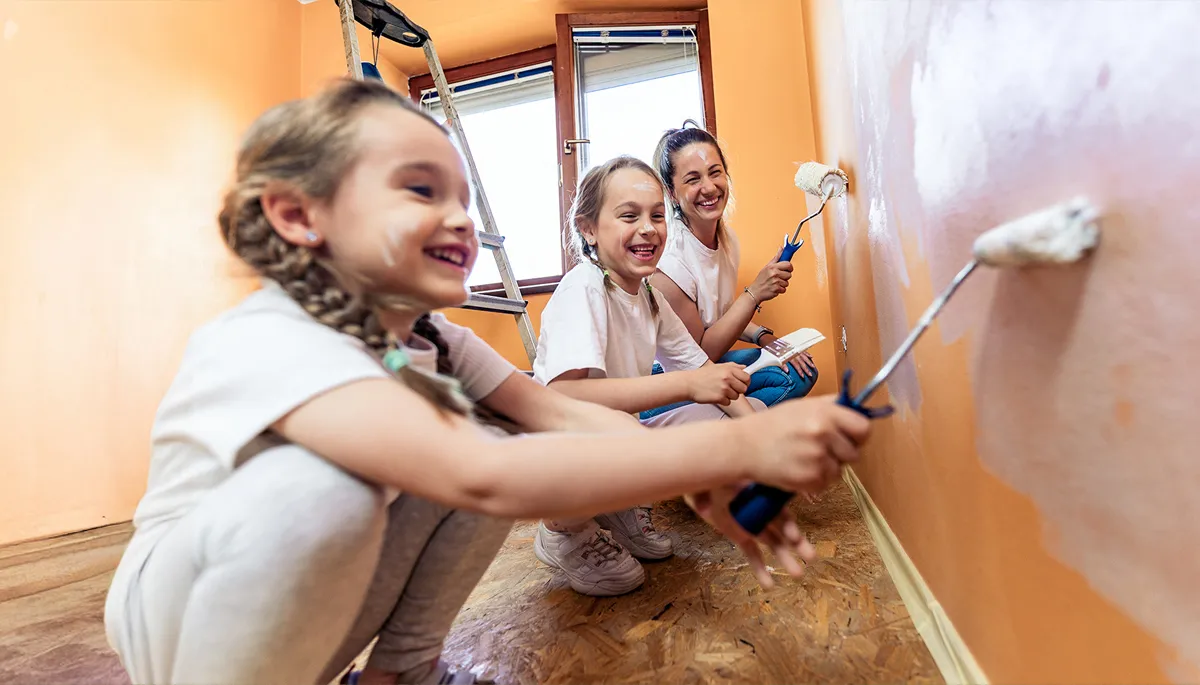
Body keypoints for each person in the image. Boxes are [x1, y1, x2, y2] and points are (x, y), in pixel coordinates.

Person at [103, 80, 870, 685]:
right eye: (419, 190)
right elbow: (483, 474)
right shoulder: (275, 335)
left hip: (293, 602)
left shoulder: (435, 338)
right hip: (178, 627)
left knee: (496, 423)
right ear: (300, 214)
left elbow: (554, 415)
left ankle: (404, 668)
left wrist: (714, 472)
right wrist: (719, 451)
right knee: (335, 492)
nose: (461, 219)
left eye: (462, 198)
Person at [531, 156, 765, 597]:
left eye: (657, 215)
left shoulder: (650, 297)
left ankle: (619, 511)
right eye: (628, 216)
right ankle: (564, 532)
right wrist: (685, 385)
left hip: (613, 440)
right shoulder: (584, 286)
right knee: (624, 428)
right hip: (559, 453)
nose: (649, 228)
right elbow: (563, 395)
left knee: (723, 425)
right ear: (588, 229)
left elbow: (702, 371)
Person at [644, 121, 819, 421]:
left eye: (715, 173)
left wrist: (767, 339)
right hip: (666, 380)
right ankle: (733, 437)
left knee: (797, 371)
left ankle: (729, 430)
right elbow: (701, 355)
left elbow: (718, 317)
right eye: (693, 179)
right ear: (672, 193)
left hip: (705, 365)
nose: (709, 187)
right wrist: (754, 294)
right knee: (774, 386)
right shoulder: (670, 264)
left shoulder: (727, 241)